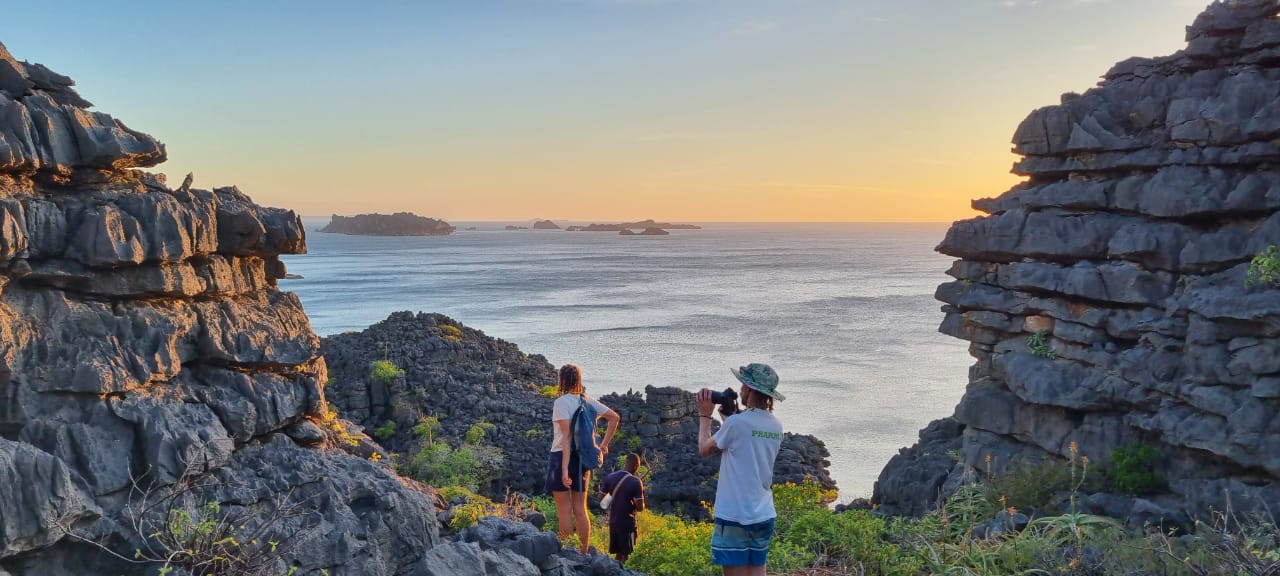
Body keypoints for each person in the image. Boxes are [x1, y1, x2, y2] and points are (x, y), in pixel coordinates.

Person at [696, 363, 786, 576]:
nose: (740, 391)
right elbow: (745, 443)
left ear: (750, 389)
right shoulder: (776, 426)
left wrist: (705, 416)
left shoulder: (737, 424)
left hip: (736, 514)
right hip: (763, 513)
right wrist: (728, 419)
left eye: (743, 386)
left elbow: (704, 449)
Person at [545, 364, 620, 553]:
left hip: (561, 457)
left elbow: (567, 437)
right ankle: (583, 553)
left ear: (562, 380)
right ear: (578, 380)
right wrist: (603, 444)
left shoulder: (561, 403)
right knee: (580, 508)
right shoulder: (587, 400)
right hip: (583, 460)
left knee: (564, 510)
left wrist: (563, 470)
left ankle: (566, 552)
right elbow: (614, 417)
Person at [600, 453, 647, 565]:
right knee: (627, 555)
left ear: (625, 463)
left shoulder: (610, 477)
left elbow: (600, 498)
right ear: (636, 466)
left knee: (618, 554)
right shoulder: (636, 482)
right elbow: (640, 508)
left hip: (613, 522)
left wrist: (614, 494)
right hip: (627, 524)